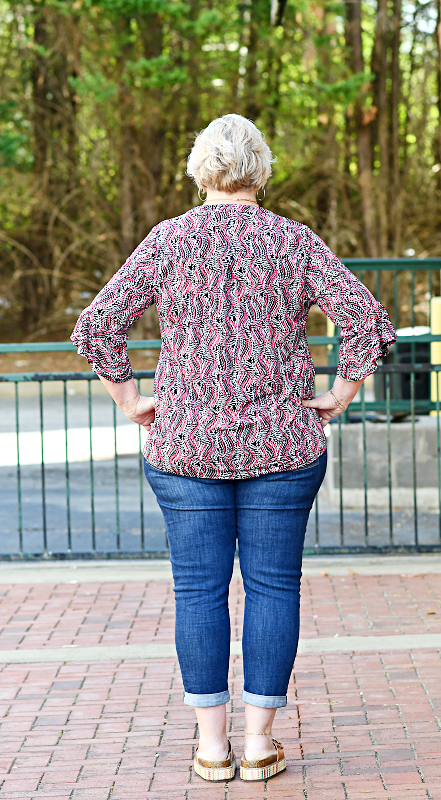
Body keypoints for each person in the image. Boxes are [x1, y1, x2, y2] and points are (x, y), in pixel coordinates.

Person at [71, 113, 396, 783]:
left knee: (197, 592)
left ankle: (211, 749)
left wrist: (130, 401)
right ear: (261, 169)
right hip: (283, 445)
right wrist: (339, 394)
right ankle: (258, 745)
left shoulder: (168, 240)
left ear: (199, 171)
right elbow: (364, 321)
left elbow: (98, 325)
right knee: (274, 587)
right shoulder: (293, 242)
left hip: (184, 446)